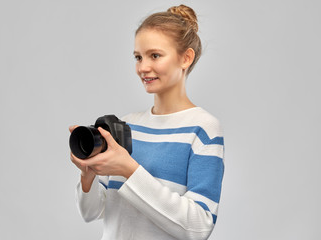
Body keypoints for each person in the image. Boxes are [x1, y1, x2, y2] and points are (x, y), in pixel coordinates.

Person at [70, 4, 224, 240]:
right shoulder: (126, 125)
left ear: (186, 58)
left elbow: (199, 227)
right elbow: (92, 212)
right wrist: (87, 174)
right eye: (138, 57)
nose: (143, 67)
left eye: (155, 56)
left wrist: (128, 170)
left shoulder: (203, 128)